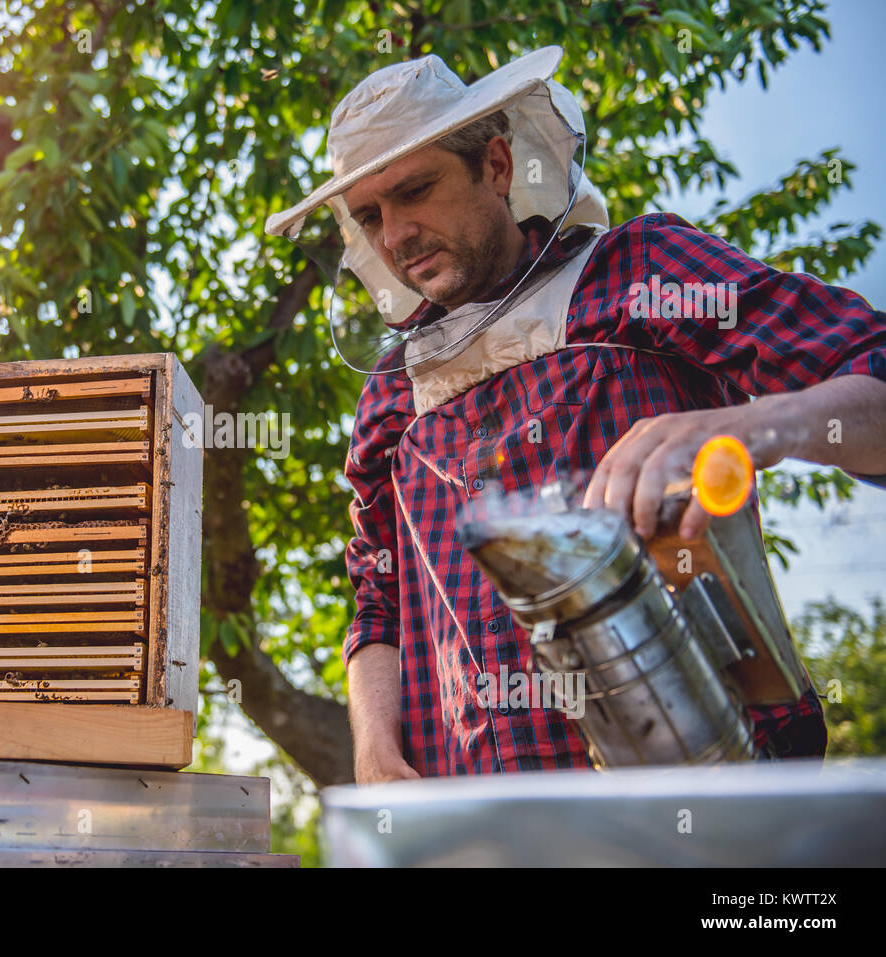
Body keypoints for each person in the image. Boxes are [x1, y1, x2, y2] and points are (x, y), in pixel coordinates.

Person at [263, 48, 886, 781]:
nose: (395, 235)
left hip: (707, 797)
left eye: (416, 190)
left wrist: (743, 430)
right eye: (369, 215)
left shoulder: (642, 270)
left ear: (496, 165)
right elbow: (378, 594)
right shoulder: (391, 392)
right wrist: (372, 746)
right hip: (482, 826)